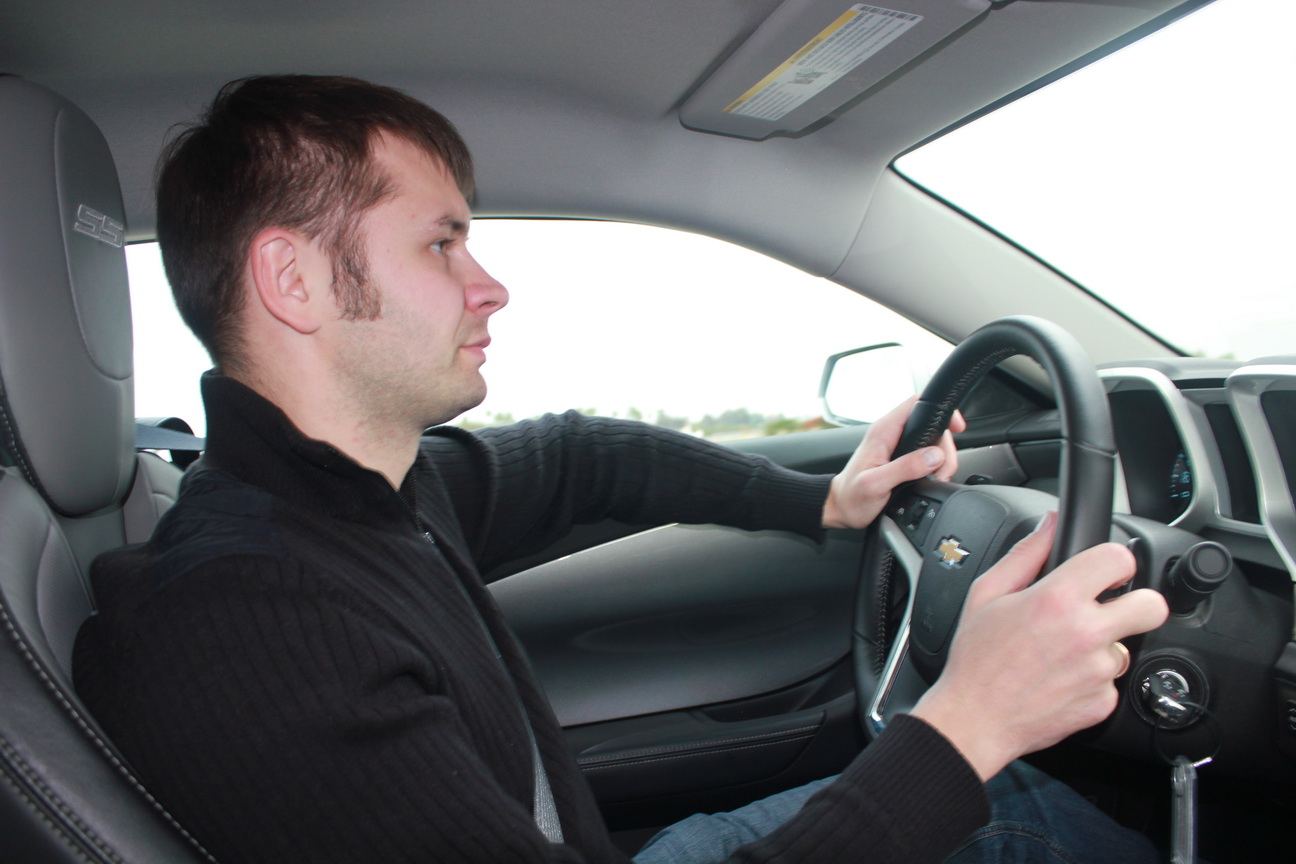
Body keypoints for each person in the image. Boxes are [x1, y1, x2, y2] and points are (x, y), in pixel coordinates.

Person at [73, 75, 1169, 864]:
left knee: (1013, 800)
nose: (489, 285)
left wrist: (827, 503)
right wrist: (971, 720)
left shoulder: (366, 495)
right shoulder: (252, 620)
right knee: (1010, 804)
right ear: (293, 281)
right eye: (441, 243)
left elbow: (588, 459)